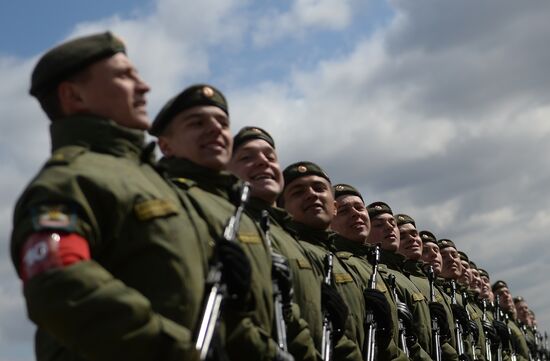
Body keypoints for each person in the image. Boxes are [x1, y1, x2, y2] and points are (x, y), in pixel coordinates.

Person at [11, 32, 206, 361]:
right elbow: (58, 282)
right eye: (125, 76)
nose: (144, 87)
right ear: (74, 96)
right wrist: (172, 349)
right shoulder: (69, 180)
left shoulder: (158, 182)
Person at [150, 84, 316, 361]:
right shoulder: (167, 197)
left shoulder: (241, 215)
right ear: (165, 145)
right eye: (197, 123)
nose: (215, 129)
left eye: (222, 123)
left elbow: (286, 317)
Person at [228, 127, 362, 360]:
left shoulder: (296, 244)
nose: (312, 195)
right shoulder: (234, 224)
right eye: (298, 191)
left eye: (270, 157)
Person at [280, 161, 370, 356]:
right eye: (298, 192)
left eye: (319, 188)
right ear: (283, 207)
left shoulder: (343, 262)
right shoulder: (288, 250)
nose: (312, 194)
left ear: (334, 206)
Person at [330, 184, 410, 361]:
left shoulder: (371, 266)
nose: (355, 214)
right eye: (344, 211)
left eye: (359, 208)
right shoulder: (334, 261)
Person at [365, 202, 433, 361]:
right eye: (379, 225)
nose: (389, 228)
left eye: (392, 223)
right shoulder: (377, 272)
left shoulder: (403, 275)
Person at [394, 215, 457, 361]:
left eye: (414, 234)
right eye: (403, 236)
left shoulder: (429, 283)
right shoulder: (403, 278)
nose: (411, 239)